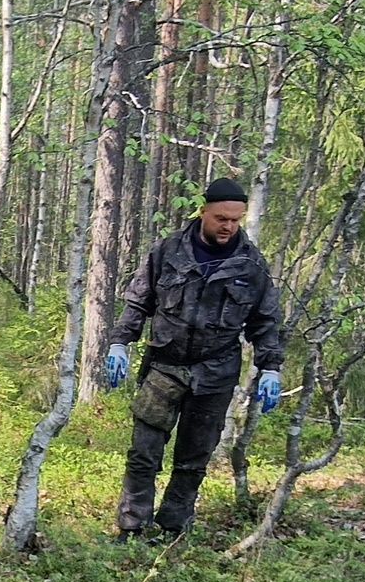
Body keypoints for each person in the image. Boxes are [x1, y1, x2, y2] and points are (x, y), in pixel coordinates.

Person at [102, 178, 285, 542]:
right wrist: (120, 342)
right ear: (203, 212)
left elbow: (265, 321)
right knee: (143, 452)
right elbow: (139, 301)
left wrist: (270, 368)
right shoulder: (168, 251)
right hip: (164, 366)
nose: (228, 226)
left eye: (235, 220)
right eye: (221, 218)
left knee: (193, 459)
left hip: (216, 373)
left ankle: (173, 528)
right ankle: (132, 527)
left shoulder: (251, 265)